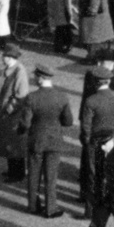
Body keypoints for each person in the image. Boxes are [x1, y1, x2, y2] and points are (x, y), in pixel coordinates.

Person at [19, 65, 73, 218]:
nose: (34, 79)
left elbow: (26, 123)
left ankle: (32, 206)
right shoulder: (62, 97)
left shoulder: (32, 97)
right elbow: (68, 121)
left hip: (36, 140)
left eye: (36, 77)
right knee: (51, 176)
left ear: (41, 78)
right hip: (54, 140)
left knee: (34, 174)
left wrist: (21, 131)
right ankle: (51, 208)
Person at [78, 65, 114, 220]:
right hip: (113, 138)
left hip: (95, 140)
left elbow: (86, 126)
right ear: (109, 81)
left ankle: (90, 211)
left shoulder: (91, 101)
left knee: (93, 175)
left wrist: (87, 142)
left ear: (96, 82)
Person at [0, 42, 30, 183]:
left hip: (13, 115)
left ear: (9, 57)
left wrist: (9, 108)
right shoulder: (11, 69)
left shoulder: (19, 71)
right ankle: (12, 170)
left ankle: (17, 174)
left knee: (15, 145)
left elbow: (21, 94)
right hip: (7, 115)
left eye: (4, 55)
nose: (2, 58)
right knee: (9, 143)